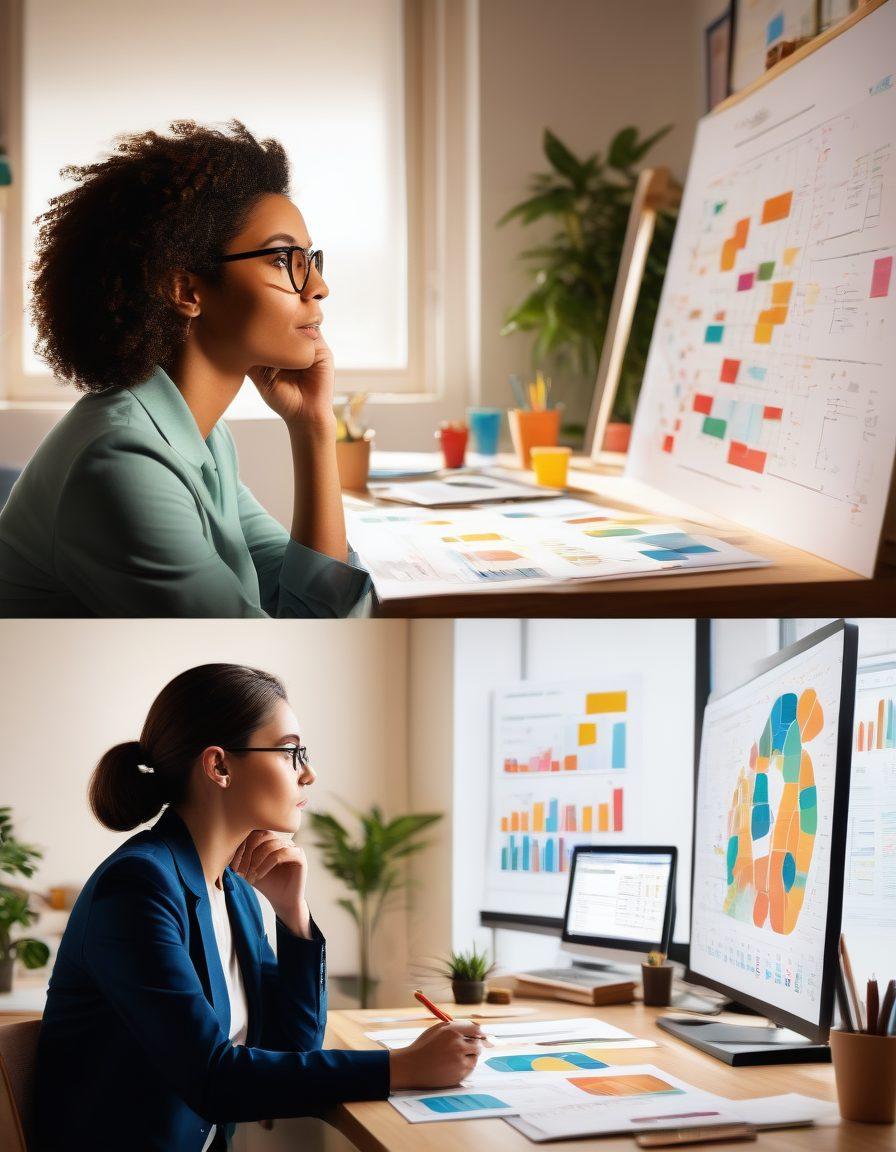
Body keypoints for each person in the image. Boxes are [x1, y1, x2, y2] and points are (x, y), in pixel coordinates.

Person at [34, 664, 484, 1151]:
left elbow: (292, 1046)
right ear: (220, 767)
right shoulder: (138, 887)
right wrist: (402, 1067)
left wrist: (293, 916)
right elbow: (214, 1079)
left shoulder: (236, 890)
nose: (308, 773)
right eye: (291, 752)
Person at [0, 121, 368, 618]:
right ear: (188, 291)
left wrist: (313, 428)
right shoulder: (123, 463)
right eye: (285, 259)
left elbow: (304, 602)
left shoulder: (200, 437)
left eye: (310, 259)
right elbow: (310, 623)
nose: (318, 285)